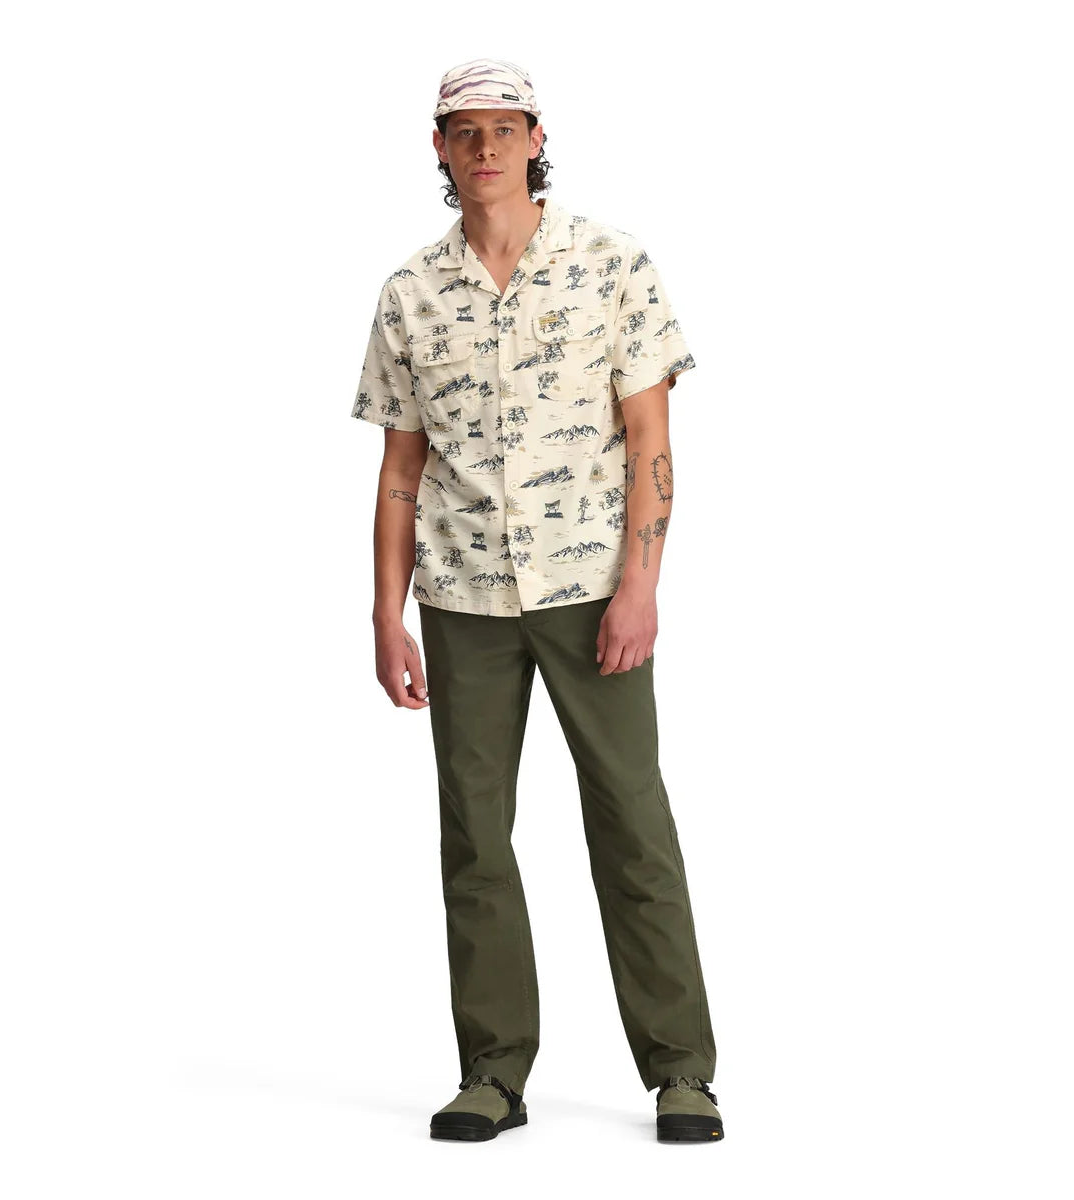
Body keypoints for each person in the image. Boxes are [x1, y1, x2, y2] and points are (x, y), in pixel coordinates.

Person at [350, 57, 721, 1144]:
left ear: (535, 138)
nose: (485, 149)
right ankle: (493, 1072)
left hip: (590, 589)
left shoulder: (611, 264)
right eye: (464, 131)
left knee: (632, 820)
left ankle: (682, 1071)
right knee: (474, 834)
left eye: (503, 129)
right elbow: (400, 469)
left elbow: (650, 439)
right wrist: (385, 613)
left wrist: (641, 586)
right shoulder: (411, 293)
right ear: (439, 147)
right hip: (461, 595)